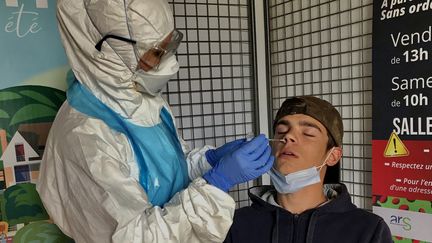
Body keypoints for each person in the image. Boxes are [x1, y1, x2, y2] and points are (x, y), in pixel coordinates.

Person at [36, 0, 274, 242]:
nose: (170, 62)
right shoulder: (84, 136)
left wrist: (208, 163)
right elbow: (135, 236)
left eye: (170, 45)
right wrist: (217, 182)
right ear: (110, 53)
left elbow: (166, 176)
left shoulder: (146, 102)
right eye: (156, 53)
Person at [224, 96, 393, 243]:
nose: (287, 136)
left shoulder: (368, 231)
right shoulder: (235, 224)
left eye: (308, 133)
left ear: (333, 156)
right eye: (281, 130)